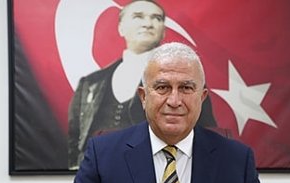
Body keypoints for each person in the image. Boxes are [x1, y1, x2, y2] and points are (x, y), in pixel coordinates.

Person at [49, 42, 280, 183]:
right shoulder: (103, 155)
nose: (174, 100)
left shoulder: (236, 159)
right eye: (162, 87)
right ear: (143, 97)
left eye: (186, 88)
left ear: (202, 97)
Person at [67, 0, 216, 169]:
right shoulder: (90, 83)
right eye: (138, 17)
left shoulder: (188, 81)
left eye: (156, 18)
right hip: (100, 175)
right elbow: (75, 140)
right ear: (121, 28)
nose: (148, 24)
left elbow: (206, 136)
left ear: (163, 31)